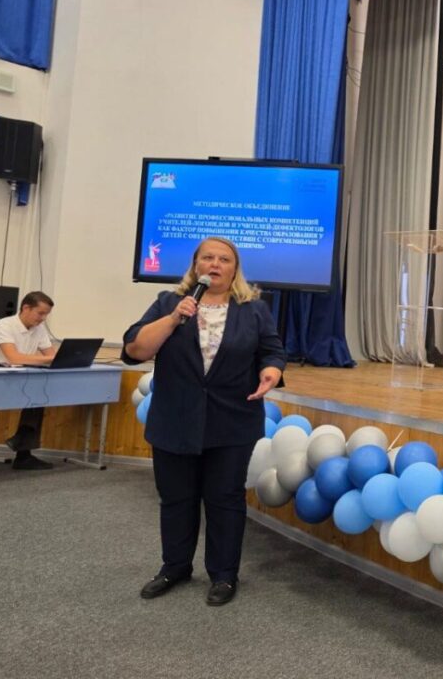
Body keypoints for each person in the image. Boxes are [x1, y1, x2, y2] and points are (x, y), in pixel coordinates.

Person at [122, 237, 286, 607]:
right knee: (176, 498)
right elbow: (134, 349)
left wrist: (272, 370)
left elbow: (272, 350)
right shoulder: (169, 303)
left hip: (232, 420)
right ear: (196, 265)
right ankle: (175, 567)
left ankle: (224, 574)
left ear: (234, 268)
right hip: (175, 417)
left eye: (224, 259)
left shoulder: (254, 309)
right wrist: (173, 319)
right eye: (207, 257)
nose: (215, 264)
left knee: (225, 499)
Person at [0, 291, 58, 470]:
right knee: (36, 393)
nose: (43, 319)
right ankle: (22, 445)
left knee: (39, 393)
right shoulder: (3, 326)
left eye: (46, 315)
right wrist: (48, 359)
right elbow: (14, 358)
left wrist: (54, 358)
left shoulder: (39, 329)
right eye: (40, 313)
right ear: (26, 308)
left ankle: (23, 453)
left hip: (17, 377)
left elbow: (52, 355)